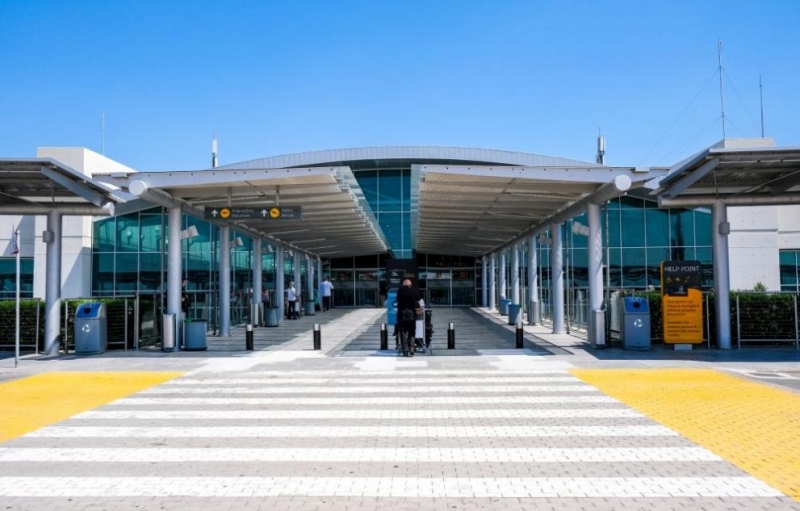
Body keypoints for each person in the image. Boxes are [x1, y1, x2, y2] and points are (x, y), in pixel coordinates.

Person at [396, 278, 422, 357]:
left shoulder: (399, 291)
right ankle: (411, 349)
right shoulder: (414, 291)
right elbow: (420, 301)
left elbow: (397, 301)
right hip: (412, 315)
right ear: (410, 285)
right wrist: (420, 308)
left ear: (404, 284)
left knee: (403, 333)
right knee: (412, 332)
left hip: (402, 315)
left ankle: (405, 350)